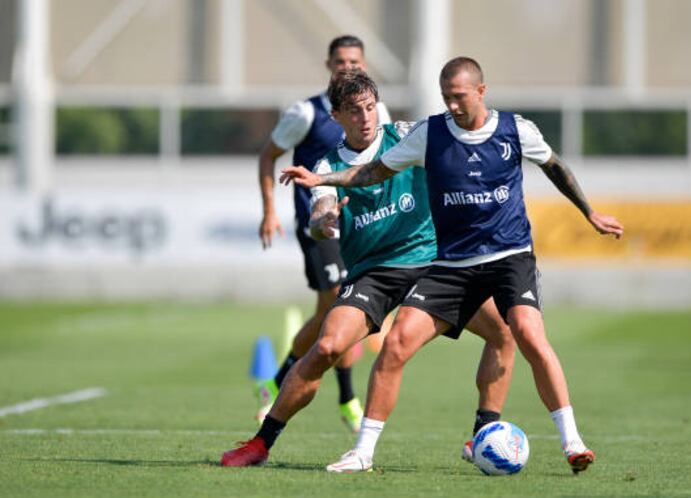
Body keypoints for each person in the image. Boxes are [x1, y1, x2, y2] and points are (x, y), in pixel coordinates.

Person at [280, 57, 625, 474]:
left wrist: (588, 213)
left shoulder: (516, 130)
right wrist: (324, 188)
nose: (452, 106)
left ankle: (570, 442)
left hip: (508, 257)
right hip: (451, 264)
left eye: (459, 97)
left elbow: (554, 166)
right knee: (393, 344)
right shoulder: (430, 133)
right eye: (446, 98)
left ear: (481, 91)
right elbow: (371, 173)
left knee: (526, 334)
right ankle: (361, 452)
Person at [221, 70, 516, 468]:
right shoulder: (326, 165)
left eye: (370, 107)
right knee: (326, 347)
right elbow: (321, 211)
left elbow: (463, 133)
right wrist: (323, 223)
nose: (366, 117)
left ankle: (483, 433)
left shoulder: (409, 136)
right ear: (336, 117)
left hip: (433, 264)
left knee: (504, 331)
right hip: (373, 273)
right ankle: (260, 444)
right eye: (355, 111)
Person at [255, 35, 391, 431]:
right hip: (320, 226)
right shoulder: (307, 112)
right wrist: (269, 211)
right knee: (340, 306)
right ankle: (346, 397)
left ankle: (277, 383)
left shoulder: (376, 110)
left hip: (361, 227)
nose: (348, 68)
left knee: (328, 314)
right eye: (341, 62)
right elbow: (268, 156)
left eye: (355, 62)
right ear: (329, 65)